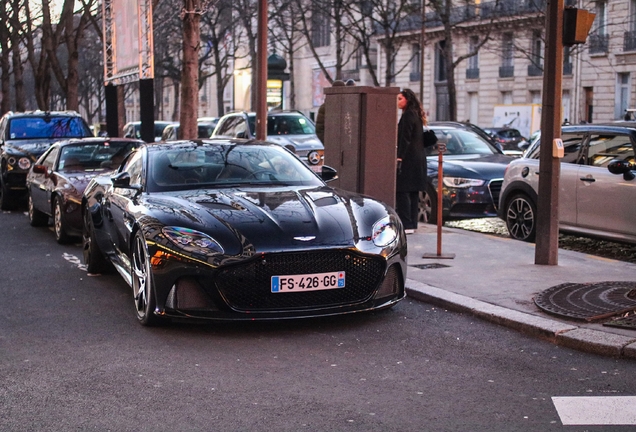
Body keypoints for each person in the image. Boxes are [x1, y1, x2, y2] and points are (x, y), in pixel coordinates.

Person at [396, 89, 429, 234]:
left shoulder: (408, 115)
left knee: (402, 190)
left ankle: (406, 223)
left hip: (409, 159)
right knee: (413, 192)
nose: (398, 102)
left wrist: (399, 156)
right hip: (418, 158)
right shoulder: (416, 114)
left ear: (407, 100)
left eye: (400, 99)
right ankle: (413, 224)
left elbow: (405, 138)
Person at [315, 79, 350, 144]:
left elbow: (319, 129)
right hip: (336, 144)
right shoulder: (325, 107)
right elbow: (320, 129)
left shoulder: (324, 107)